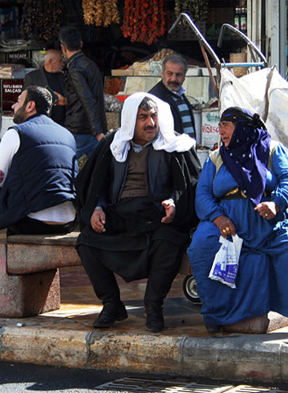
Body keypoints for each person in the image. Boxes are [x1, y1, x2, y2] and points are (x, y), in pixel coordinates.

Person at [187, 107, 288, 337]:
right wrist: (217, 217)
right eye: (219, 126)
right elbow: (203, 194)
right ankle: (216, 315)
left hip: (269, 223)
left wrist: (276, 202)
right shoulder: (216, 157)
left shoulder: (272, 150)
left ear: (242, 128)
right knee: (201, 247)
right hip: (228, 224)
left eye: (226, 126)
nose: (221, 131)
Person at [75, 92, 200, 332]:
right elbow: (95, 184)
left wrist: (174, 203)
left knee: (169, 243)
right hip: (119, 215)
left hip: (157, 216)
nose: (150, 123)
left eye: (153, 116)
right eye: (143, 117)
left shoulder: (175, 146)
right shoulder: (112, 145)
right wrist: (97, 207)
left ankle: (153, 306)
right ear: (131, 119)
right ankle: (112, 304)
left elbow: (189, 185)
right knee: (86, 242)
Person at [0, 86, 77, 235]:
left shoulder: (16, 133)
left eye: (18, 101)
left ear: (30, 106)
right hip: (69, 221)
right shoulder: (67, 135)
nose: (13, 106)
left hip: (33, 222)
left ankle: (14, 240)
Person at [59, 26, 106, 159]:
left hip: (80, 130)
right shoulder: (90, 64)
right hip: (91, 129)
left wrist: (98, 132)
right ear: (81, 44)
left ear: (63, 48)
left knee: (65, 163)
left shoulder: (75, 69)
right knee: (99, 166)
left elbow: (87, 100)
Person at [147, 55, 196, 139]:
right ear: (163, 73)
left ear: (184, 76)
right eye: (170, 74)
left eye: (178, 75)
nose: (174, 79)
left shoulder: (180, 95)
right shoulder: (155, 98)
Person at [23, 49, 67, 125]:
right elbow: (26, 100)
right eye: (60, 61)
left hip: (62, 123)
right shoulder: (33, 77)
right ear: (51, 61)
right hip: (42, 123)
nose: (62, 64)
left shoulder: (64, 77)